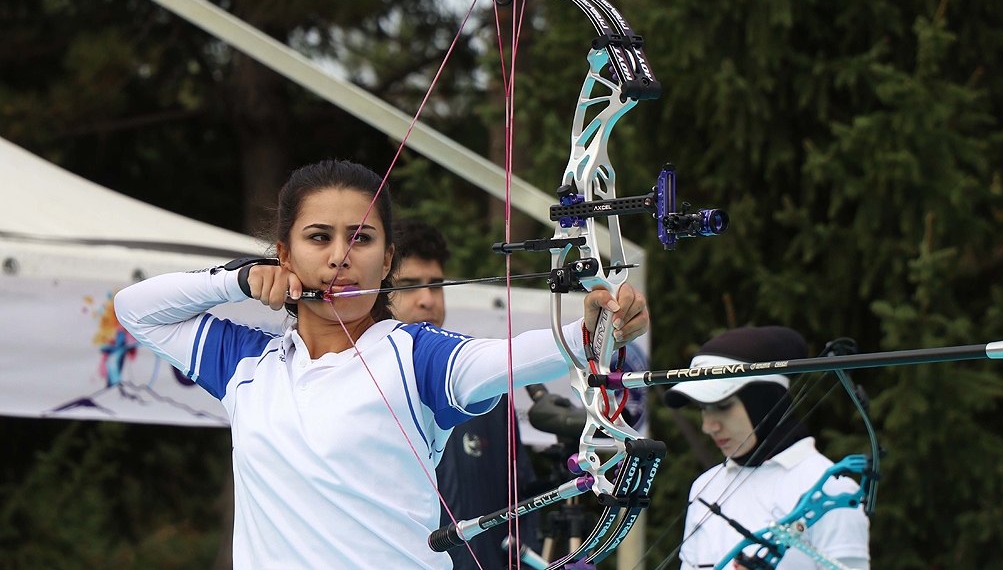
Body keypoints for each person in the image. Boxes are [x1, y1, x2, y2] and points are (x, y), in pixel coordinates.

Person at [113, 159, 648, 568]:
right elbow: (134, 309)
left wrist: (590, 332)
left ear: (387, 258)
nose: (340, 255)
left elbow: (507, 359)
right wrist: (234, 280)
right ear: (284, 254)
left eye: (361, 238)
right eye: (319, 237)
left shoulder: (415, 357)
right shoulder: (248, 363)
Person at [392, 218, 540, 569]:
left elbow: (521, 498)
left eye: (436, 285)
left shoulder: (486, 389)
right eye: (410, 285)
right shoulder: (358, 387)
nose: (427, 300)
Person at [665, 326, 870, 570]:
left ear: (763, 401)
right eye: (703, 408)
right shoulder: (704, 487)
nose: (708, 426)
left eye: (722, 406)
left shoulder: (833, 488)